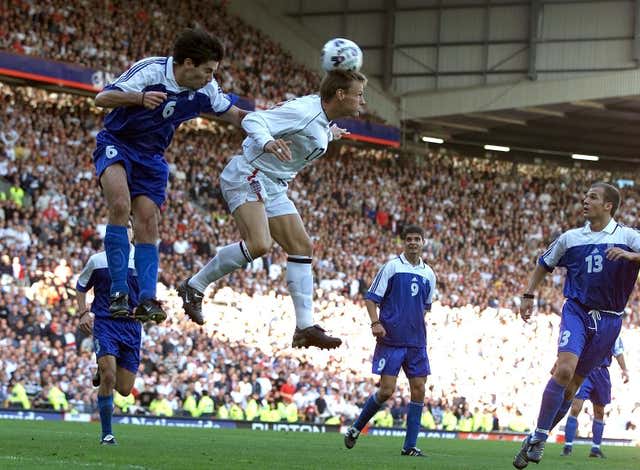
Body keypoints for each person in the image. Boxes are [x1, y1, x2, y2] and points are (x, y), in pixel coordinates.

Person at [178, 69, 367, 349]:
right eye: (359, 95)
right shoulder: (306, 111)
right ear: (340, 95)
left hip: (274, 183)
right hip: (249, 173)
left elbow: (307, 131)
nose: (362, 101)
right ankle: (194, 285)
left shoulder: (320, 117)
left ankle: (304, 328)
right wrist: (267, 141)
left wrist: (330, 133)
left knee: (302, 246)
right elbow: (254, 119)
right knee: (259, 244)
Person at [93, 28, 247, 323]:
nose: (210, 77)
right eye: (207, 70)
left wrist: (271, 121)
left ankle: (147, 299)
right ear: (187, 63)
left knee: (148, 222)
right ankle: (118, 292)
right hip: (117, 143)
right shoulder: (151, 71)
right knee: (120, 206)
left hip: (152, 157)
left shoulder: (206, 89)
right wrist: (139, 98)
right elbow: (103, 98)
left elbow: (234, 114)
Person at [513, 182, 640, 469]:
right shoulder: (571, 238)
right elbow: (545, 263)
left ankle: (536, 438)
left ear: (608, 205)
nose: (585, 199)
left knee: (571, 391)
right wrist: (528, 294)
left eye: (592, 197)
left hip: (610, 320)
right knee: (564, 369)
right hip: (577, 311)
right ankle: (541, 437)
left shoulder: (628, 236)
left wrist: (633, 256)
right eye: (585, 195)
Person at [343, 225, 436, 457]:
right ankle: (356, 428)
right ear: (403, 242)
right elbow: (371, 299)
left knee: (419, 389)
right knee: (386, 391)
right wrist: (376, 323)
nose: (413, 242)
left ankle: (410, 446)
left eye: (417, 239)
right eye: (409, 239)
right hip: (391, 340)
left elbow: (425, 307)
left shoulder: (429, 274)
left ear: (423, 242)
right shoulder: (392, 267)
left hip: (416, 343)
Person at [76, 222, 141, 445]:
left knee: (124, 389)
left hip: (132, 328)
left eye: (129, 227)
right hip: (105, 324)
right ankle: (107, 434)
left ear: (133, 233)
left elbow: (146, 296)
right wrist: (83, 312)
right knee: (109, 375)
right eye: (120, 227)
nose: (125, 230)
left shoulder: (142, 260)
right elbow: (81, 286)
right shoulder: (98, 260)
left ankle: (102, 369)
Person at [561, 335, 629, 458]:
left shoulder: (613, 330)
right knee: (576, 407)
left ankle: (595, 448)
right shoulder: (588, 325)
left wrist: (624, 370)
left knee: (599, 412)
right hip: (584, 371)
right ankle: (568, 446)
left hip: (602, 373)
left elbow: (618, 351)